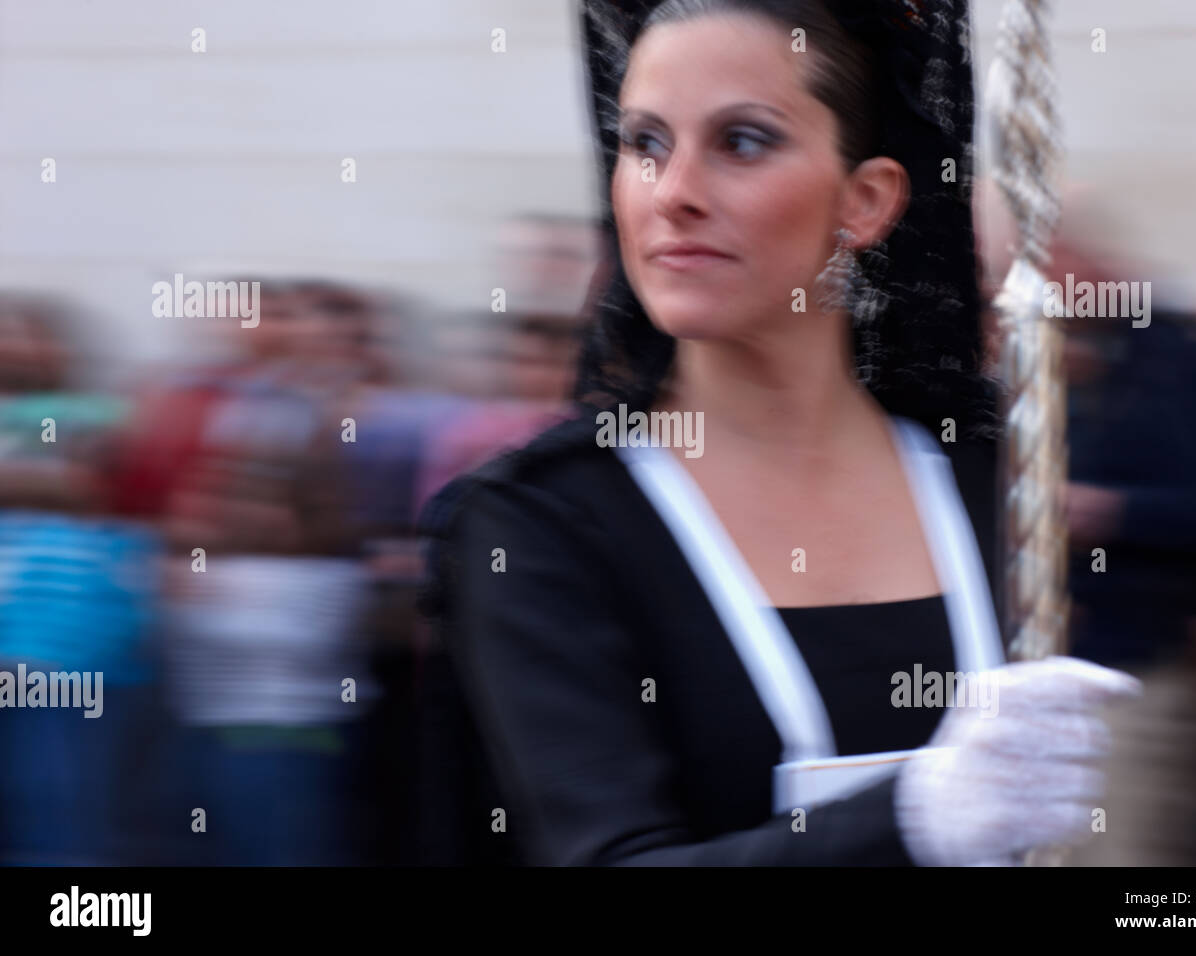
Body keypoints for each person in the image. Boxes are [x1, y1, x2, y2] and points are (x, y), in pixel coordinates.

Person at [417, 0, 1140, 866]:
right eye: (645, 144)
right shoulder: (539, 526)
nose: (674, 193)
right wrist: (913, 817)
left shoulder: (990, 480)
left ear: (867, 201)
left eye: (743, 142)